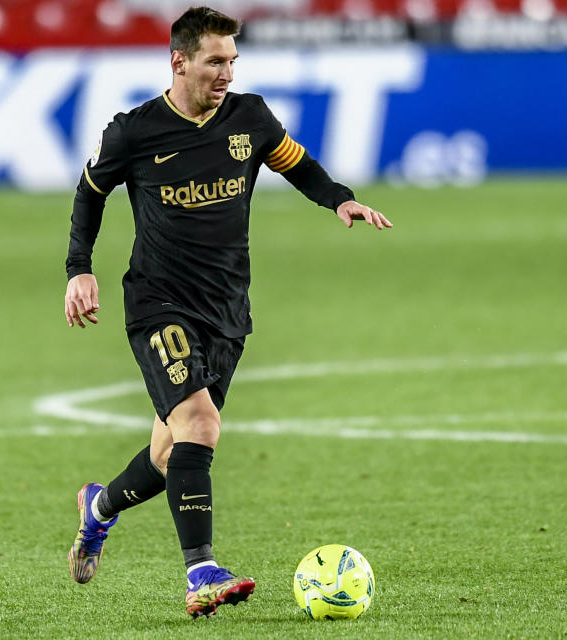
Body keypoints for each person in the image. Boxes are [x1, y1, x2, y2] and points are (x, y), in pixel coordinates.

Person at [63, 6, 392, 619]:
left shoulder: (250, 118)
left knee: (170, 454)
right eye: (215, 61)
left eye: (233, 61)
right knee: (202, 426)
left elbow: (298, 165)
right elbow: (91, 192)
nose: (226, 72)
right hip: (159, 303)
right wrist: (79, 268)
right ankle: (201, 573)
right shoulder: (134, 132)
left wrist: (339, 201)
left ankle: (98, 507)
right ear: (179, 60)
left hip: (227, 310)